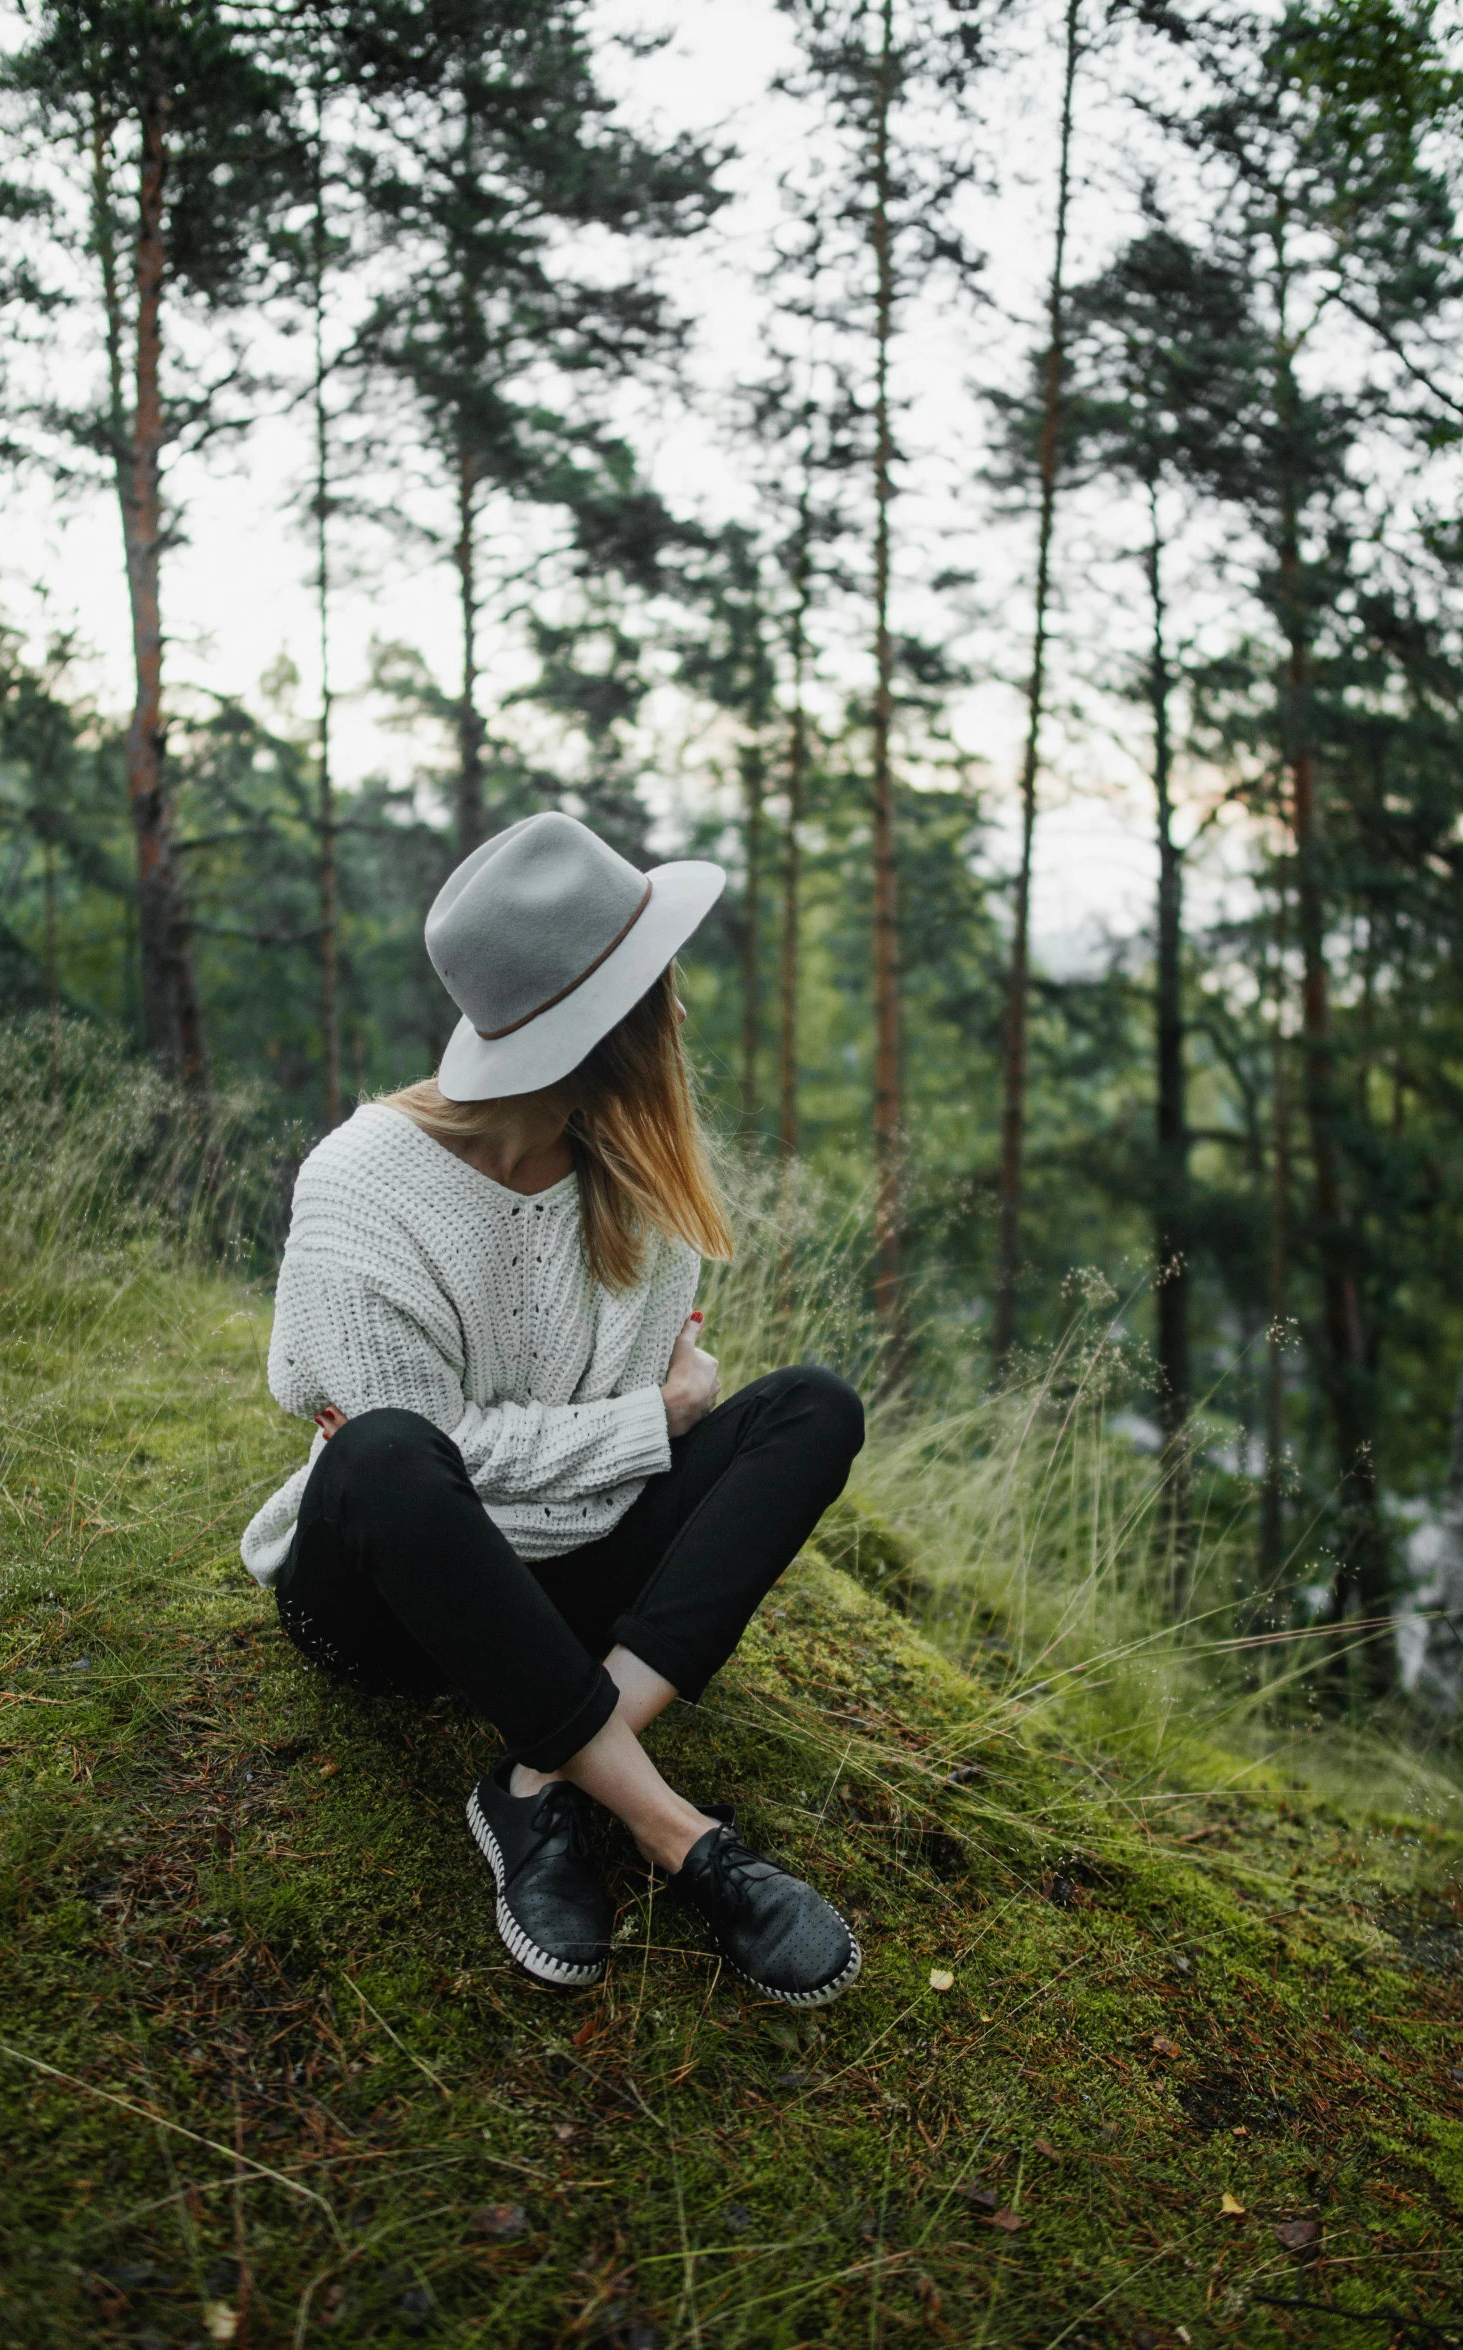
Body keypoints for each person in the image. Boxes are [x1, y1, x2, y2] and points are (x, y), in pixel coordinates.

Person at [241, 811, 866, 2004]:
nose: (678, 1015)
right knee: (378, 1454)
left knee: (810, 1409)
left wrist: (634, 1434)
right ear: (601, 1026)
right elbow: (430, 1471)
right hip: (391, 1602)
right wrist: (652, 1424)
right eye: (656, 989)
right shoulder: (362, 1188)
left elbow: (530, 1463)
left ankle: (541, 1778)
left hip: (569, 1572)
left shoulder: (635, 1181)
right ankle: (680, 1834)